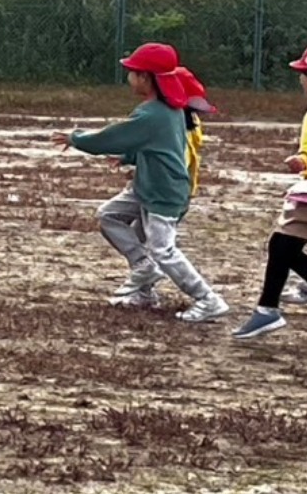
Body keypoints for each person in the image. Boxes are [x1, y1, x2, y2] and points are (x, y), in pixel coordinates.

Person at [51, 42, 228, 323]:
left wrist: (77, 138)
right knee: (110, 216)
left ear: (146, 77)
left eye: (132, 72)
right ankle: (144, 284)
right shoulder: (165, 109)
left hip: (164, 192)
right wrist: (128, 157)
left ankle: (208, 299)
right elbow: (152, 144)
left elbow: (112, 136)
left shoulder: (152, 113)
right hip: (147, 186)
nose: (129, 77)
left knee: (163, 249)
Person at [233, 41, 307, 340]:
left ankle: (267, 311)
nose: (301, 79)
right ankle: (272, 307)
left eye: (305, 73)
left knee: (282, 247)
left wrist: (305, 159)